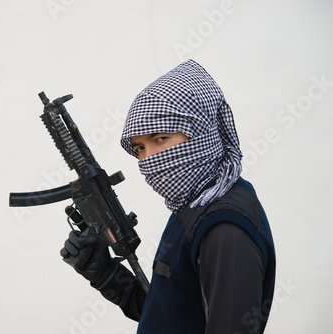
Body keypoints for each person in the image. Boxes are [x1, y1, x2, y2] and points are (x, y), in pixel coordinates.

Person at [60, 59, 276, 334]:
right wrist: (106, 274)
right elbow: (169, 316)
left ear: (201, 131)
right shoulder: (194, 203)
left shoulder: (224, 228)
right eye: (139, 148)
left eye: (160, 138)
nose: (150, 159)